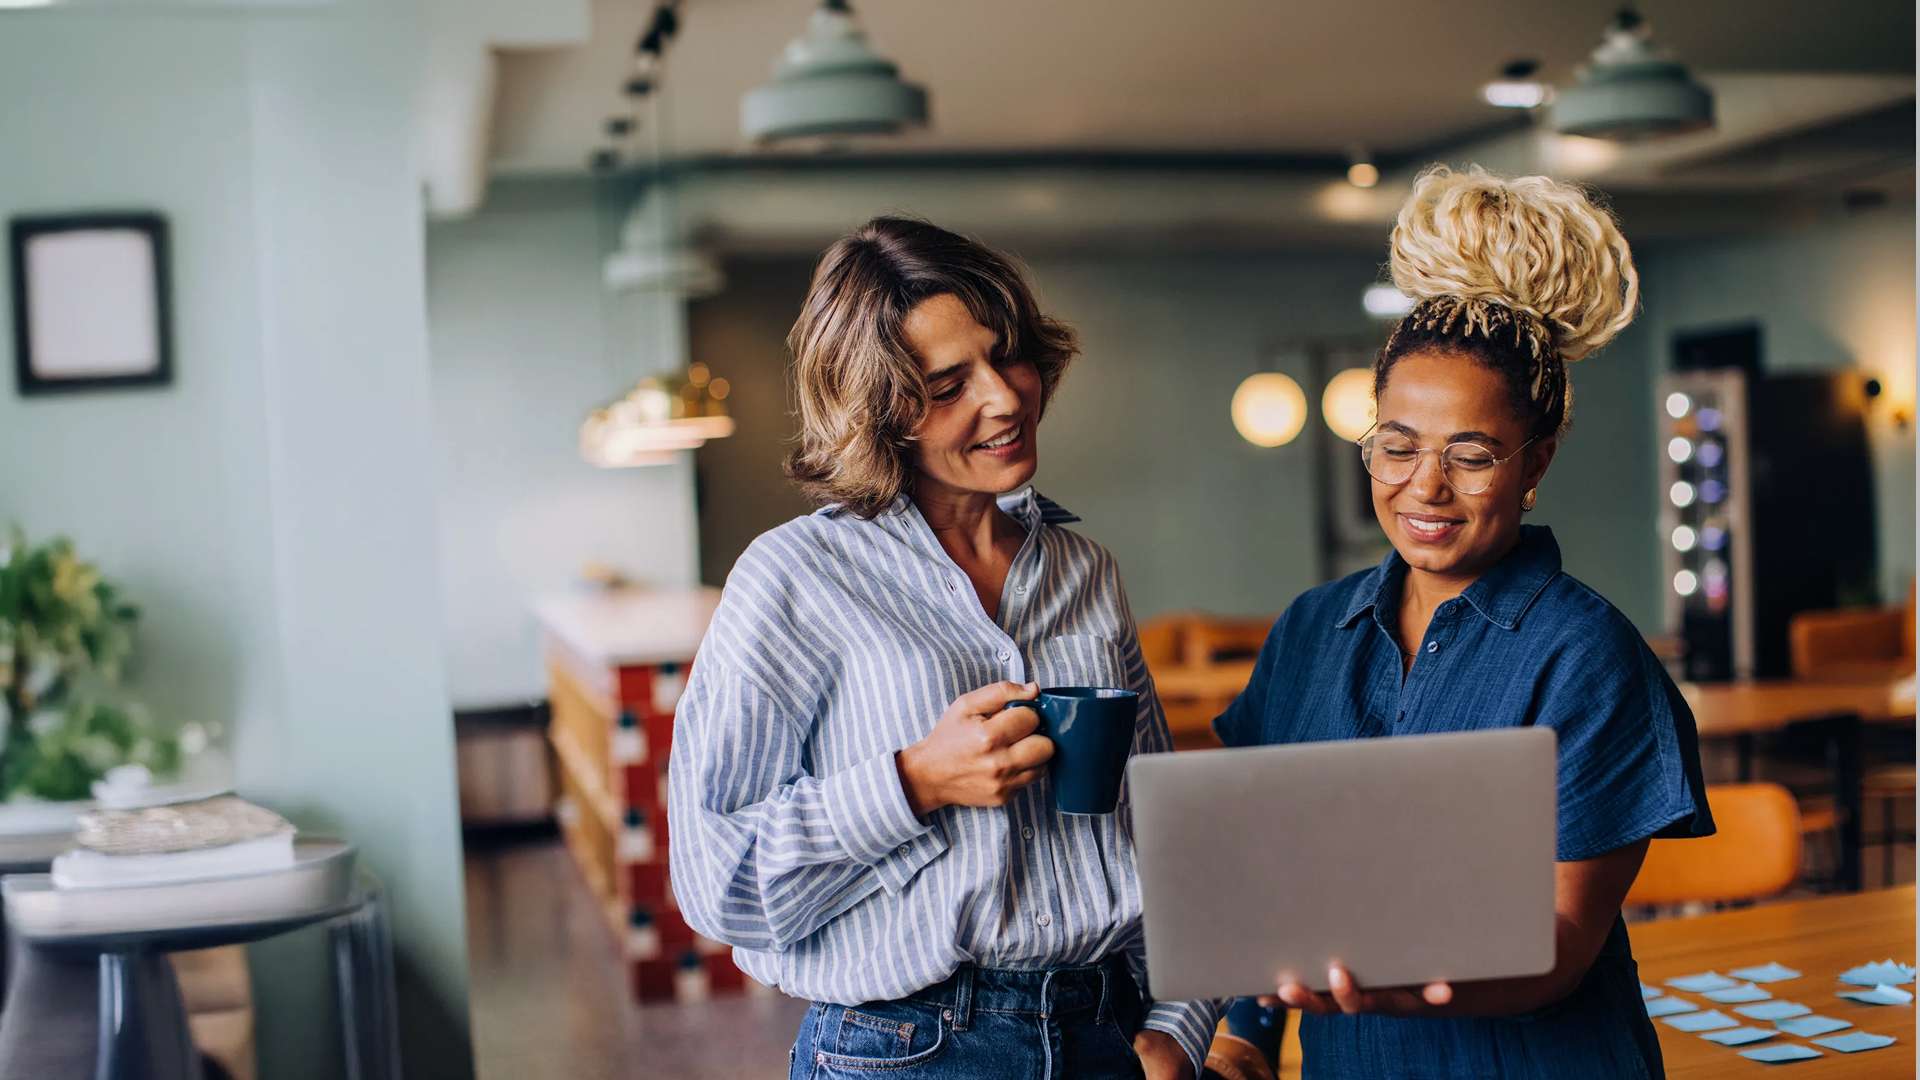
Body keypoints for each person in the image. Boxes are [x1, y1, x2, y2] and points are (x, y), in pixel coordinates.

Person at [668, 216, 1217, 1080]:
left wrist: (1180, 1027)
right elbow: (719, 883)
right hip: (909, 1050)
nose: (1004, 397)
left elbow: (1159, 829)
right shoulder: (796, 576)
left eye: (1008, 357)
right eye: (948, 383)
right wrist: (914, 781)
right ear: (878, 409)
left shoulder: (1086, 571)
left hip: (1105, 1033)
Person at [1215, 166, 1715, 1079]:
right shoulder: (1309, 631)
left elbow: (1563, 945)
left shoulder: (1587, 655)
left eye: (1471, 455)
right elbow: (1264, 873)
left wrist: (1396, 982)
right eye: (1396, 447)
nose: (1425, 488)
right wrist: (1243, 1031)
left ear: (1537, 460)